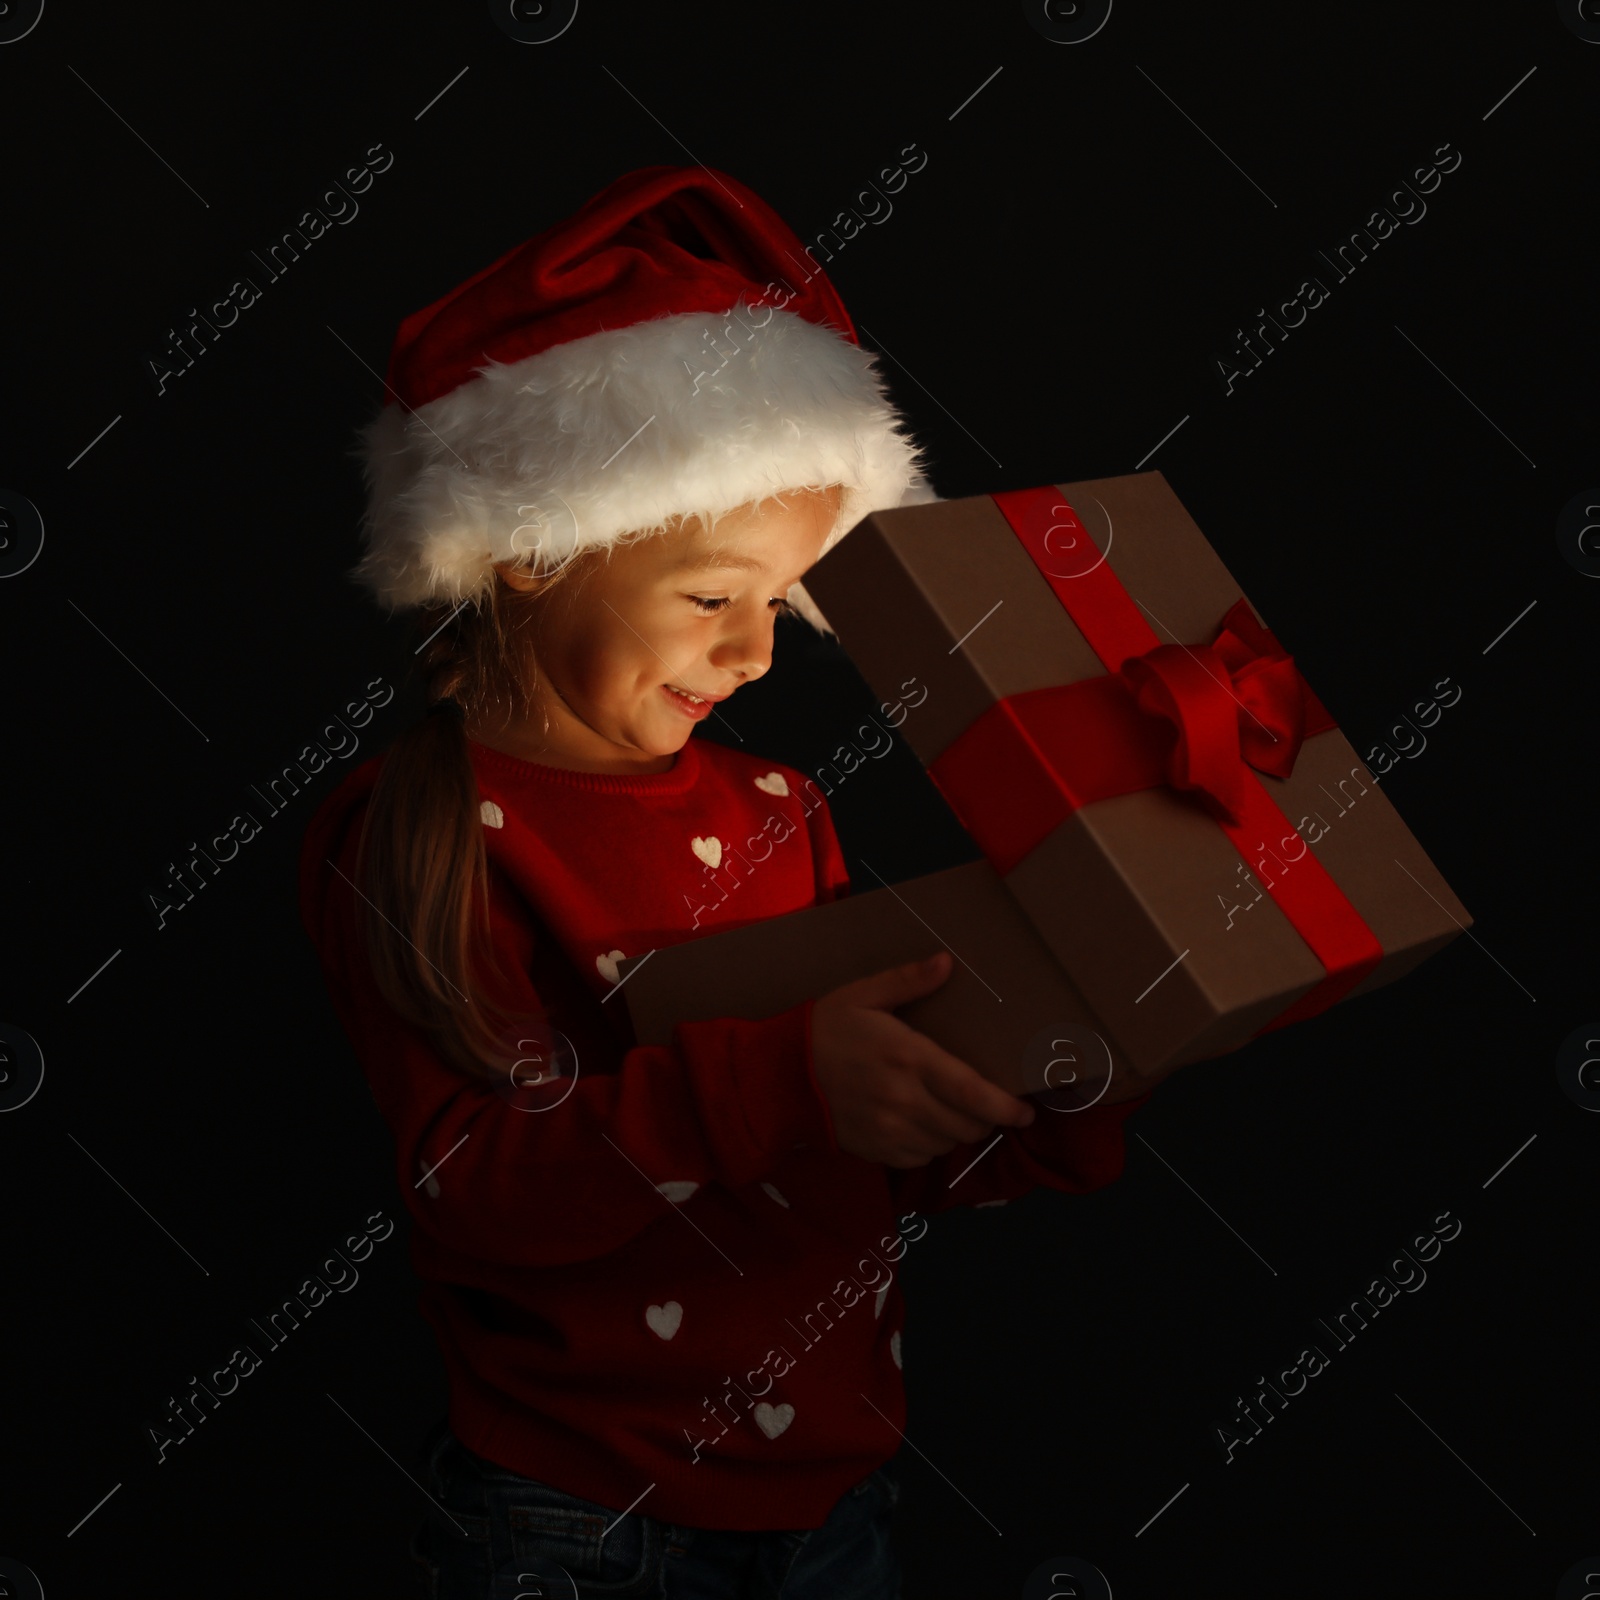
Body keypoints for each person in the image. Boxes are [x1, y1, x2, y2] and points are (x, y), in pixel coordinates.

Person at [298, 164, 1150, 1599]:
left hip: (835, 1501)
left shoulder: (779, 805)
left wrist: (1056, 1068)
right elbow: (471, 1187)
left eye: (782, 600)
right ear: (528, 554)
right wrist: (789, 1081)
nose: (758, 654)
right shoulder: (425, 823)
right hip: (576, 1521)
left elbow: (864, 1143)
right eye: (711, 595)